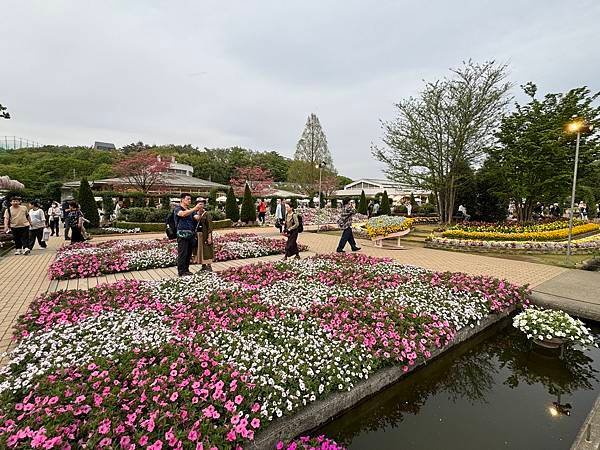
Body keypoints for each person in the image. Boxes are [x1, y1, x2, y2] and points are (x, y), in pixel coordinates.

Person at [175, 193, 201, 277]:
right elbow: (182, 214)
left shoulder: (190, 210)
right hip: (182, 235)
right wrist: (194, 209)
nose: (189, 201)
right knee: (182, 253)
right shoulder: (178, 208)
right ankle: (181, 271)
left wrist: (200, 212)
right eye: (188, 199)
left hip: (190, 235)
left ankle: (186, 270)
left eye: (190, 199)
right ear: (182, 199)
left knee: (189, 253)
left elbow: (196, 217)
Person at [194, 199, 214, 271]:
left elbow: (210, 226)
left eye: (202, 204)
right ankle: (203, 265)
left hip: (205, 235)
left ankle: (209, 266)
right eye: (199, 204)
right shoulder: (194, 213)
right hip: (198, 236)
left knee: (207, 250)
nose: (200, 206)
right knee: (200, 250)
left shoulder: (207, 214)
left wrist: (209, 237)